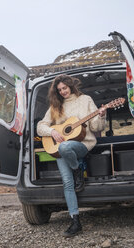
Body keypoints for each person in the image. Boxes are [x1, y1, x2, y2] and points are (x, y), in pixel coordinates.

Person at [37, 74, 106, 237]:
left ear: (71, 86)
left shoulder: (85, 100)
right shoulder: (55, 106)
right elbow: (40, 127)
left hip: (82, 144)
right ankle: (75, 221)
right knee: (67, 183)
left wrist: (101, 115)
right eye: (59, 89)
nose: (62, 92)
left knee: (66, 145)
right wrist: (52, 131)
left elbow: (96, 126)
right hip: (60, 149)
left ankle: (77, 169)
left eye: (64, 88)